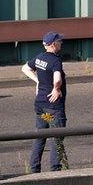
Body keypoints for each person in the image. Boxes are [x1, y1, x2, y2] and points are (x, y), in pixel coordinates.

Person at [21, 32, 68, 173]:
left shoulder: (39, 57)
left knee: (40, 136)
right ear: (53, 44)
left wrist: (38, 81)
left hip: (41, 107)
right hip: (53, 109)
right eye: (60, 41)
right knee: (57, 138)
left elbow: (25, 68)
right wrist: (56, 88)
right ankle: (55, 170)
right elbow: (57, 78)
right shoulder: (55, 61)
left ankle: (34, 170)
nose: (61, 43)